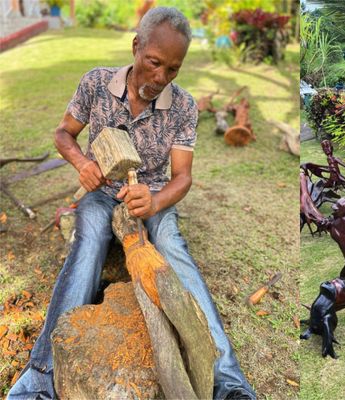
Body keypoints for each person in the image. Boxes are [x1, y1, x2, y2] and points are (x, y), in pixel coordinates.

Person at [8, 7, 255, 400]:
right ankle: (40, 377)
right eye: (155, 63)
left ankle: (228, 381)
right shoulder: (96, 83)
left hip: (152, 198)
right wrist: (83, 163)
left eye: (173, 69)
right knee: (87, 243)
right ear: (137, 46)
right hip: (101, 194)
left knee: (172, 247)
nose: (161, 78)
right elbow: (63, 133)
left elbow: (183, 177)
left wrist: (155, 203)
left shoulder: (184, 106)